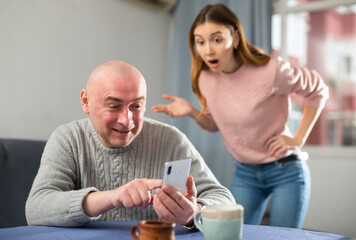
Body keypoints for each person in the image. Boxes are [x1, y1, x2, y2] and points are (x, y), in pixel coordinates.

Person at [152, 4, 329, 228]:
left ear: (235, 38)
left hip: (286, 170)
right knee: (232, 233)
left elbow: (318, 90)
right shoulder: (205, 78)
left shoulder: (272, 70)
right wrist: (191, 111)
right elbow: (215, 124)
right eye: (201, 41)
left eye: (217, 39)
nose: (208, 50)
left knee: (283, 236)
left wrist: (298, 139)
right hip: (246, 172)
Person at [25, 60, 235, 228]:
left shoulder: (170, 140)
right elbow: (36, 209)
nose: (127, 120)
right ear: (85, 102)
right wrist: (111, 197)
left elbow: (224, 199)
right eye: (114, 106)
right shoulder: (68, 139)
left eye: (137, 106)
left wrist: (194, 213)